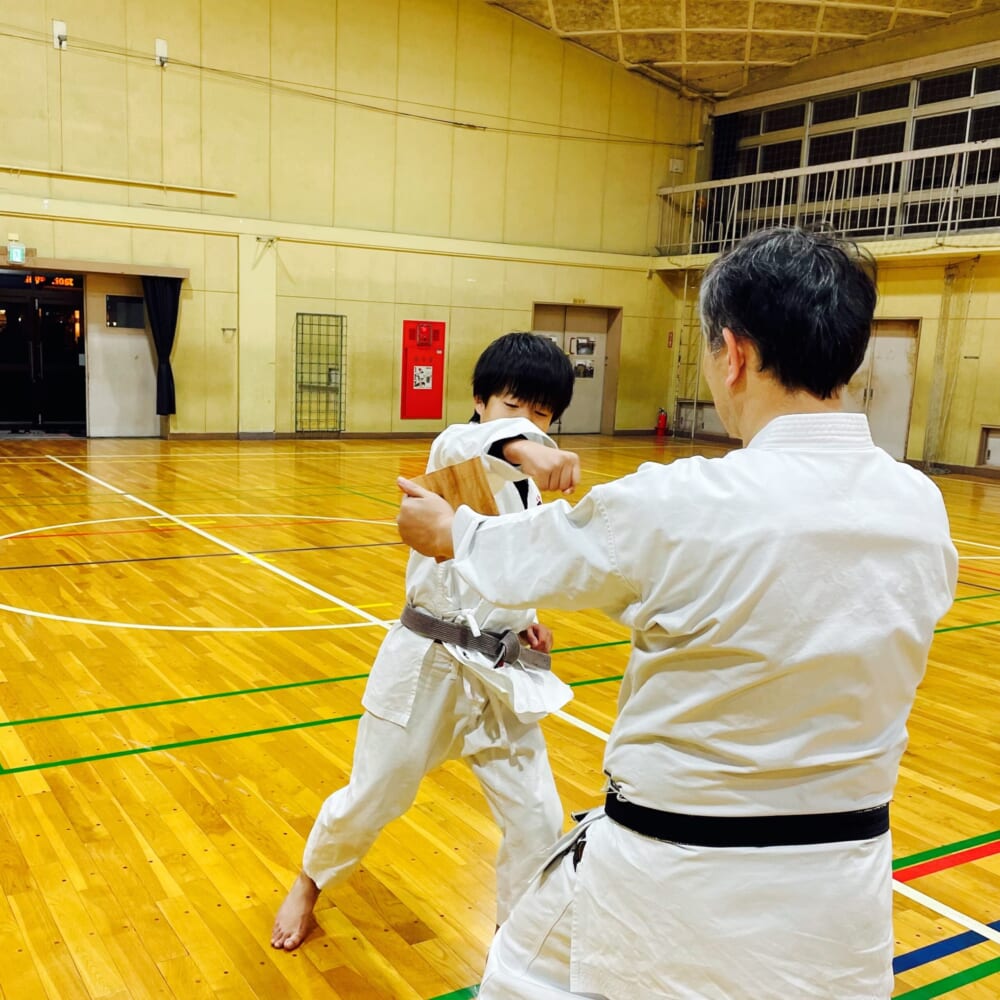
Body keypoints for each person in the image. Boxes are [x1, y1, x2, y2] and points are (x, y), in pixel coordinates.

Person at [396, 227, 958, 999]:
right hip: (841, 898)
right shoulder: (921, 508)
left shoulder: (684, 501)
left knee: (515, 978)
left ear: (733, 352)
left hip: (668, 881)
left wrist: (448, 532)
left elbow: (529, 554)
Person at [271, 332, 581, 951]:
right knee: (374, 795)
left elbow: (509, 560)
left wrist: (525, 617)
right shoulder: (455, 450)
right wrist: (522, 441)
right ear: (480, 400)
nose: (529, 421)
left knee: (540, 820)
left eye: (543, 413)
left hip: (498, 672)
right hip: (427, 666)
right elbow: (473, 443)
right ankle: (310, 880)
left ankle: (513, 939)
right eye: (513, 404)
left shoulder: (528, 488)